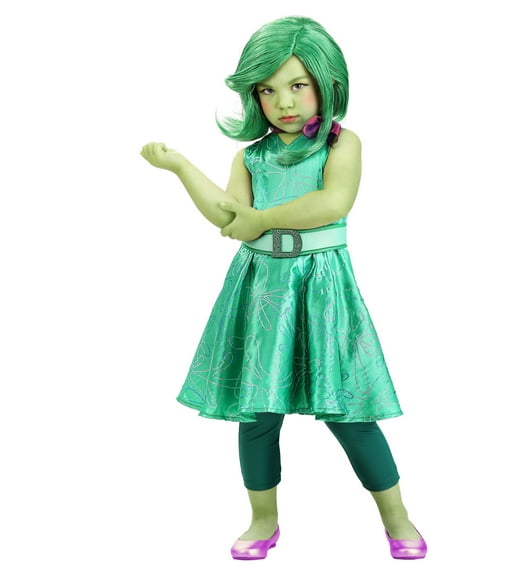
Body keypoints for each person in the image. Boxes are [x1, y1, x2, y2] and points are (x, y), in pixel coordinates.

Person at [140, 15, 427, 561]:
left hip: (321, 288)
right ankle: (263, 519)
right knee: (256, 414)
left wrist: (260, 220)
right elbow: (228, 215)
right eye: (267, 90)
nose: (284, 102)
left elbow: (332, 202)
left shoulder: (342, 144)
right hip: (261, 289)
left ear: (327, 82)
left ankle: (397, 515)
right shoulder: (250, 156)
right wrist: (180, 167)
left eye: (297, 84)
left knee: (350, 412)